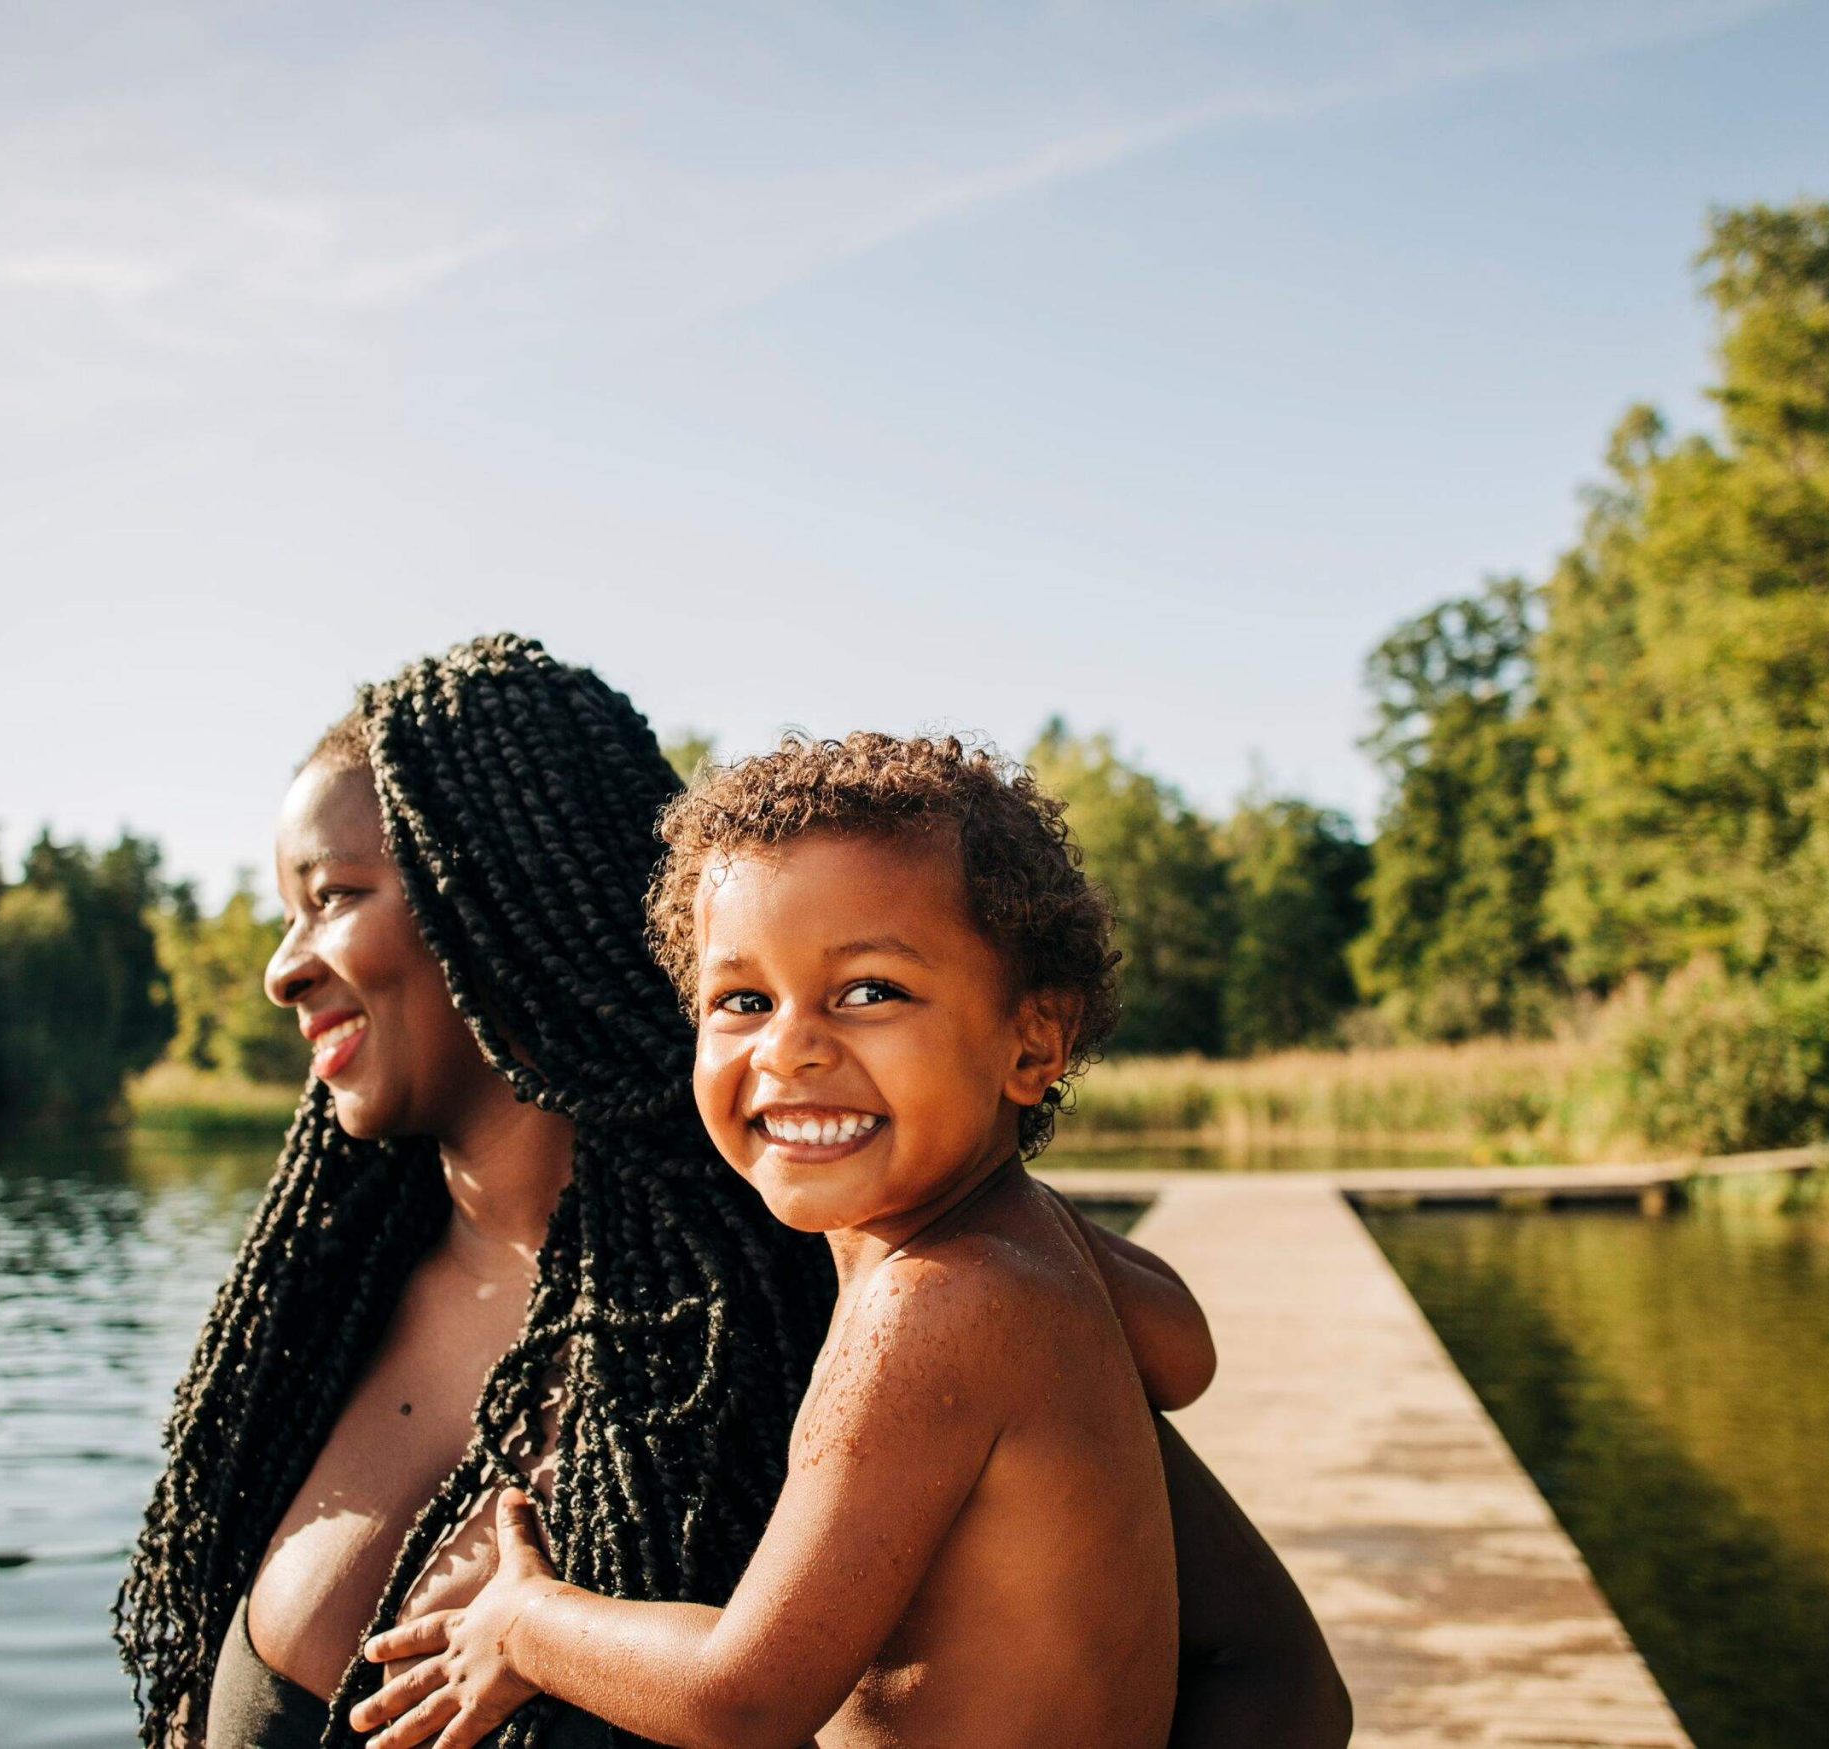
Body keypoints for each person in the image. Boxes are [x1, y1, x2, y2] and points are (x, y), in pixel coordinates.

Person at [116, 636, 1350, 1749]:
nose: (283, 971)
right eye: (746, 997)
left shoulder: (839, 1275)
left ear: (501, 902)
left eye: (330, 898)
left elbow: (1270, 1678)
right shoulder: (306, 1313)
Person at [350, 731, 1210, 1748]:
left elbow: (744, 1698)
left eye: (868, 992)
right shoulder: (1034, 1244)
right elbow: (1183, 1353)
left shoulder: (930, 1300)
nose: (790, 1046)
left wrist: (523, 1623)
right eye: (742, 1001)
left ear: (1035, 1040)